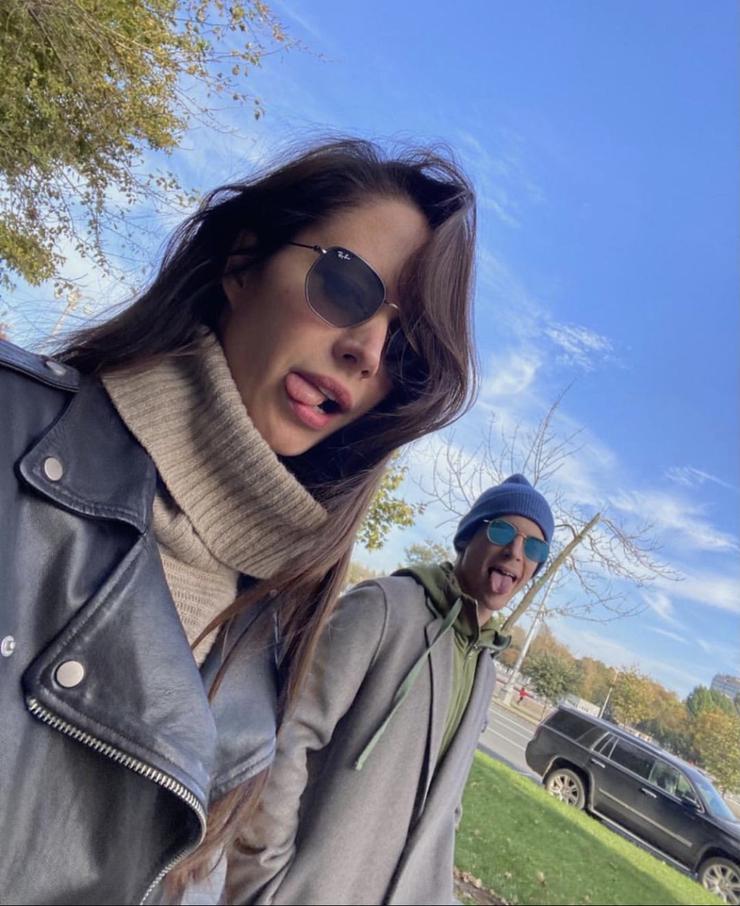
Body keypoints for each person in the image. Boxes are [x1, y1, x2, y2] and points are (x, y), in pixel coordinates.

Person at [0, 138, 478, 904]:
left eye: (408, 350)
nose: (368, 352)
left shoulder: (271, 626)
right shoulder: (12, 426)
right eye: (346, 285)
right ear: (242, 264)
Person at [230, 474, 554, 905]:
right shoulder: (383, 606)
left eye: (535, 548)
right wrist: (261, 876)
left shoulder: (484, 673)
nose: (516, 552)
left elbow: (448, 806)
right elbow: (286, 735)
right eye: (502, 531)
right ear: (467, 537)